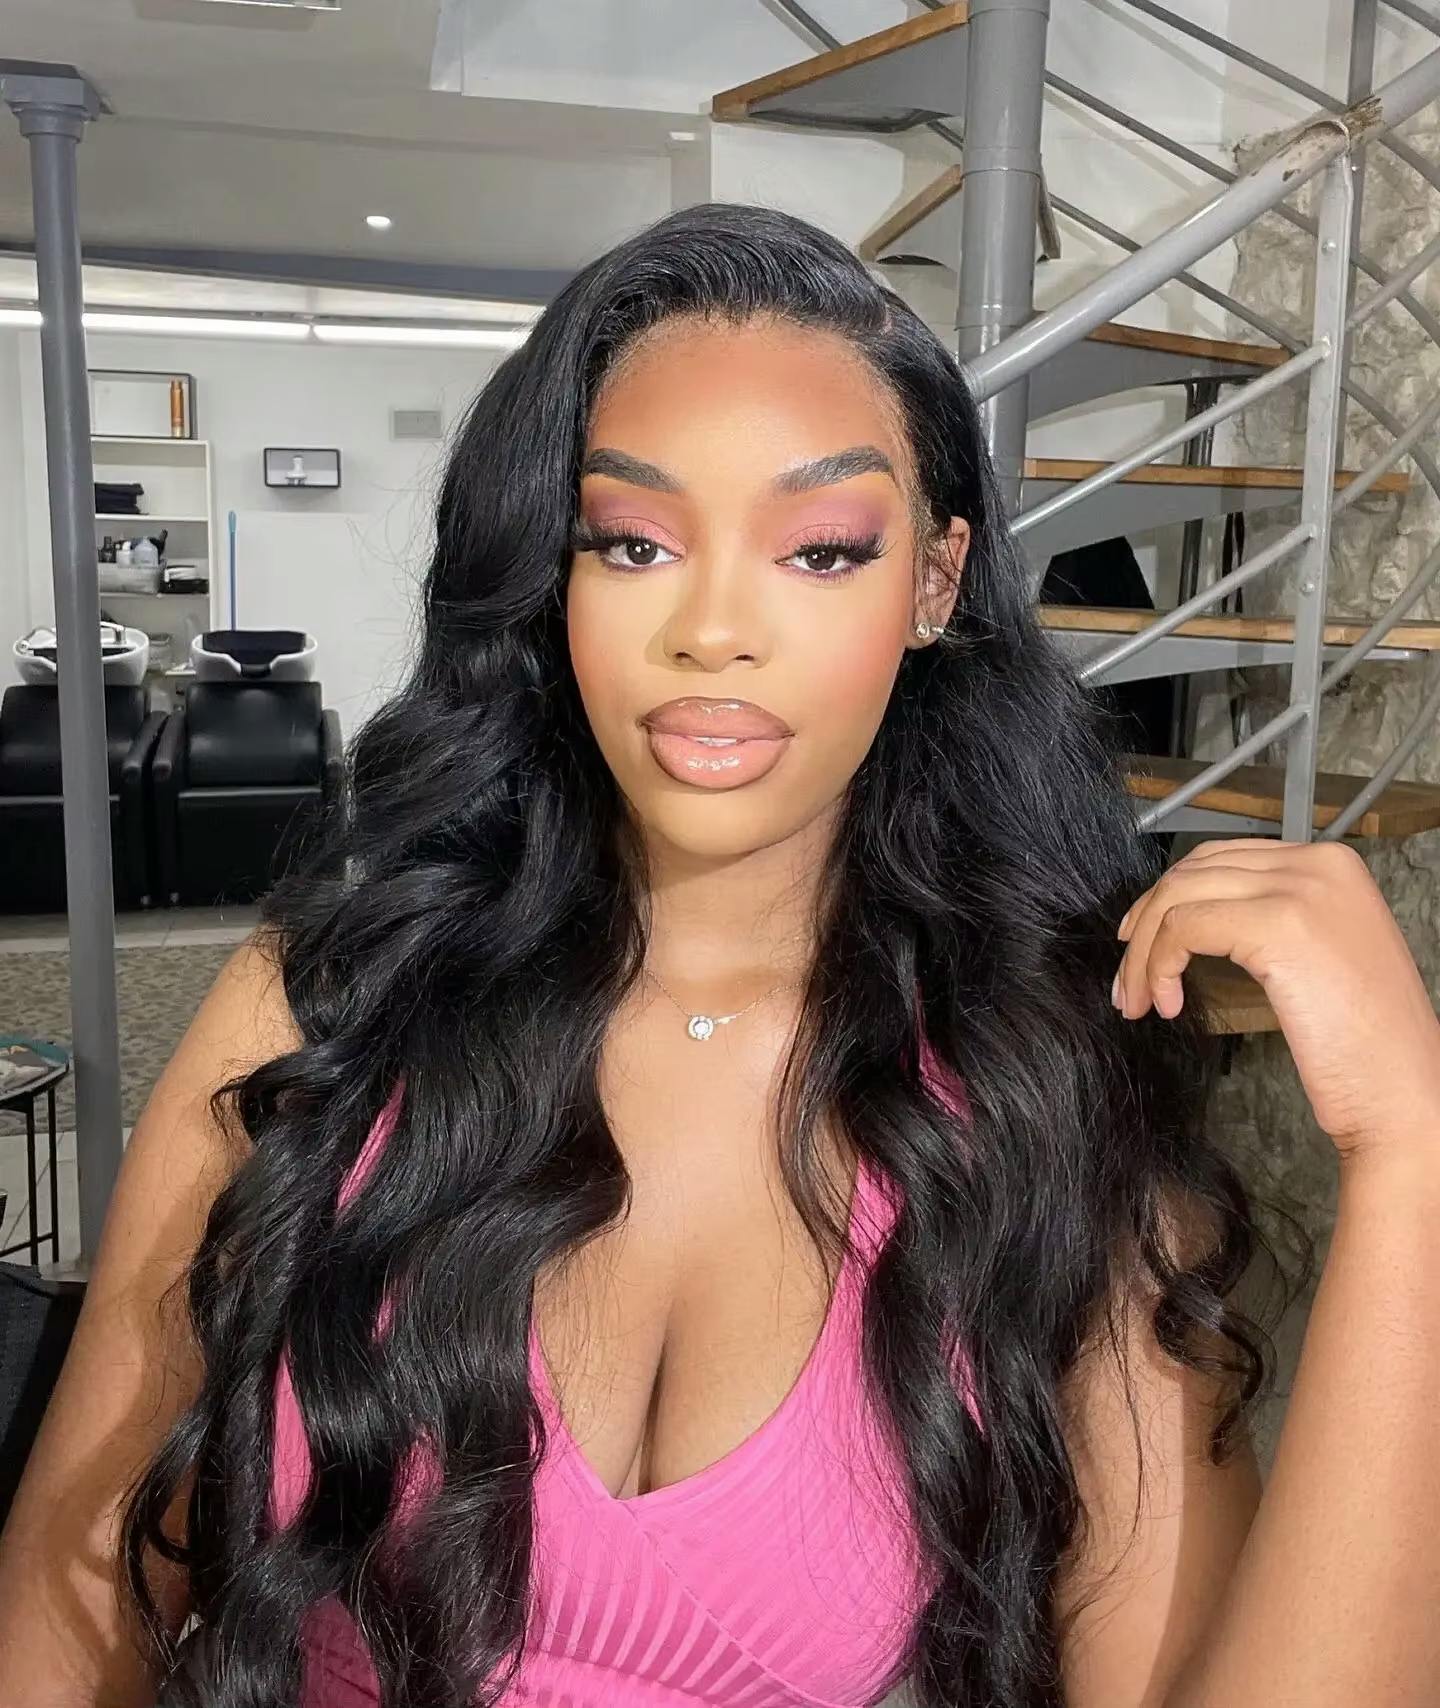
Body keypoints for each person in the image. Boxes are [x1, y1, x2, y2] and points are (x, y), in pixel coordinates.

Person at [2, 202, 1438, 1708]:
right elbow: (77, 1592)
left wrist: (1408, 1151)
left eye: (820, 551)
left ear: (935, 582)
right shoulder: (328, 1008)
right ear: (554, 575)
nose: (712, 630)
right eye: (634, 542)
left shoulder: (1050, 1100)